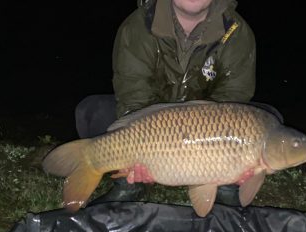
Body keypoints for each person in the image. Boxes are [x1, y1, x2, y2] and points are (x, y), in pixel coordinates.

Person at [75, 0, 257, 206]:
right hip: (154, 127)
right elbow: (134, 99)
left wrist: (232, 157)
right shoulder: (138, 27)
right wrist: (143, 148)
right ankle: (130, 183)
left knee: (263, 121)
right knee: (94, 112)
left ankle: (225, 184)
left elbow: (233, 100)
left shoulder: (235, 31)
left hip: (206, 132)